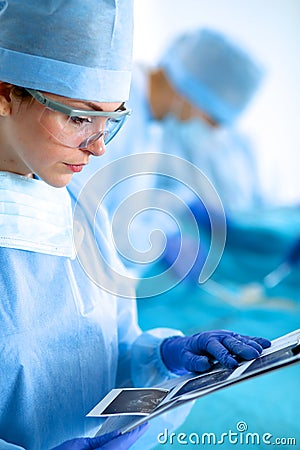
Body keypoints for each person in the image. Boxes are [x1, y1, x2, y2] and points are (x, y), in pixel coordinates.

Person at [0, 2, 272, 449]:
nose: (100, 148)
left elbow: (111, 352)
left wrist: (164, 361)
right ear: (6, 93)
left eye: (112, 120)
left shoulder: (83, 208)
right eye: (78, 117)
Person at [73, 27, 265, 279]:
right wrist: (161, 241)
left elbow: (123, 203)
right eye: (214, 118)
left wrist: (178, 208)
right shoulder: (117, 104)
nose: (211, 129)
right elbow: (84, 207)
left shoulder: (151, 123)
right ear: (194, 89)